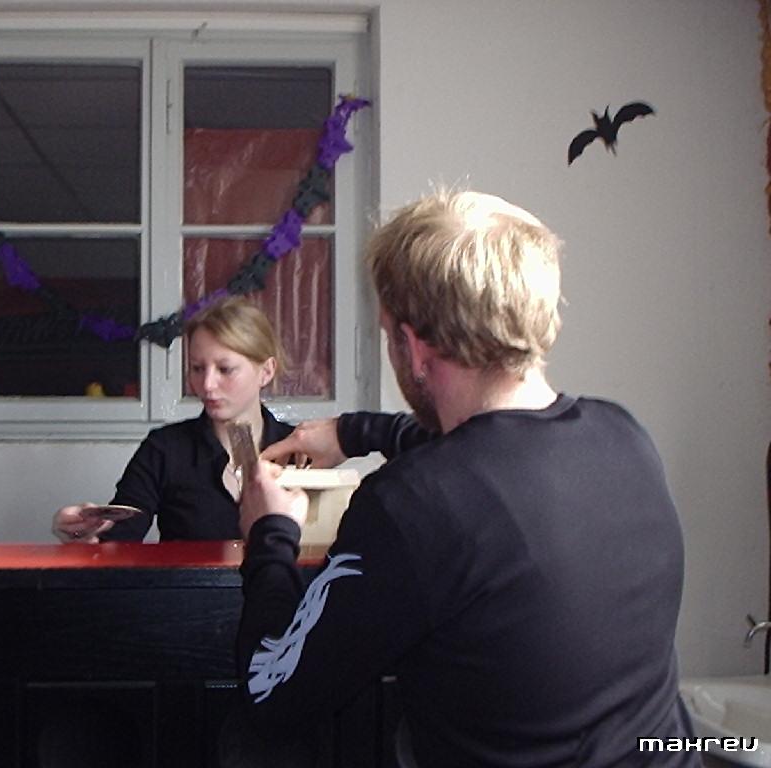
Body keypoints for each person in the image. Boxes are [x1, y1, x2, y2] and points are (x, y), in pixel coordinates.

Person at [234, 188, 699, 766]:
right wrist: (353, 432)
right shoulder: (622, 435)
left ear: (412, 347)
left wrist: (270, 534)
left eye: (388, 332)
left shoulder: (409, 505)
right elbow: (492, 455)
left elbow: (271, 693)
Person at [51, 295, 294, 543]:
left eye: (225, 369)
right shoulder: (165, 449)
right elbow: (118, 538)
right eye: (197, 368)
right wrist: (83, 533)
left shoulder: (301, 451)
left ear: (266, 371)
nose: (207, 385)